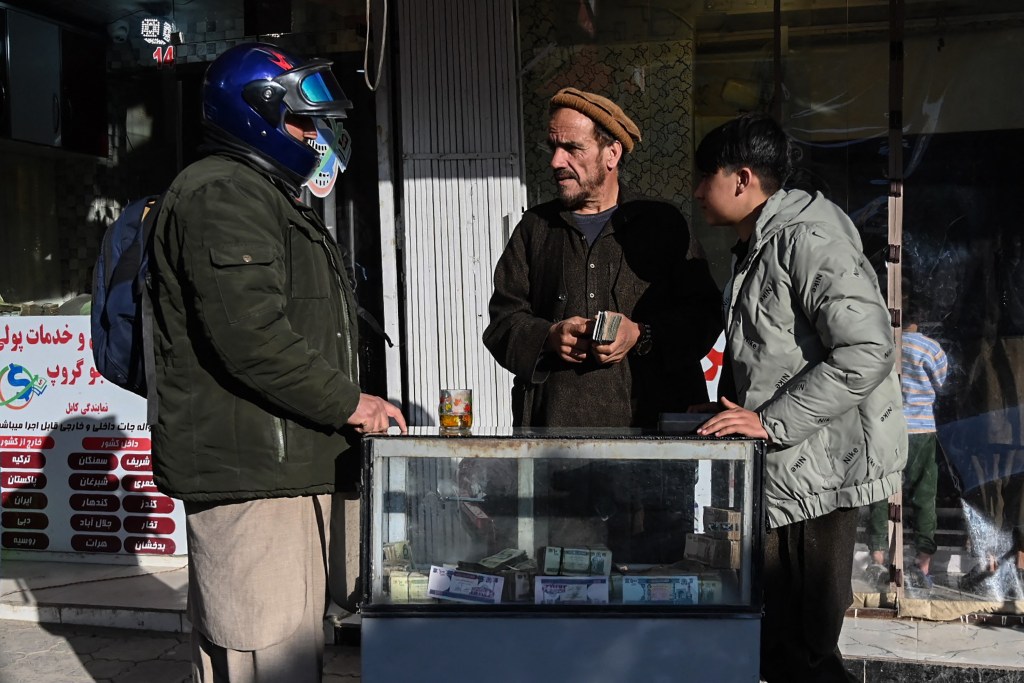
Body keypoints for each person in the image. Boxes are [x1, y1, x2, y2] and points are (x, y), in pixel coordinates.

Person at [146, 43, 407, 682]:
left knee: (292, 649)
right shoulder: (222, 193)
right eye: (301, 120)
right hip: (251, 475)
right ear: (255, 113)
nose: (314, 135)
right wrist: (352, 403)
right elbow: (252, 337)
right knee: (261, 653)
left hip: (285, 464)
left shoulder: (263, 192)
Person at [693, 112, 908, 683]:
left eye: (705, 176)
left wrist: (769, 422)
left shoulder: (806, 237)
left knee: (803, 652)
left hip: (818, 473)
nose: (697, 191)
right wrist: (732, 410)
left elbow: (866, 349)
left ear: (742, 179)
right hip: (788, 470)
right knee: (782, 647)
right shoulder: (759, 241)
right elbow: (777, 352)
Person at [482, 86, 721, 428]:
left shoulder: (662, 224)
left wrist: (641, 334)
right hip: (555, 434)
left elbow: (704, 315)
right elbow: (503, 322)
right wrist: (549, 336)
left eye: (572, 148)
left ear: (611, 154)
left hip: (653, 435)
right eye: (553, 148)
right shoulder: (536, 228)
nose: (555, 162)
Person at [866, 312, 949, 588]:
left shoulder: (881, 343)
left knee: (881, 491)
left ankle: (877, 556)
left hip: (886, 426)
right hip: (921, 431)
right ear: (920, 319)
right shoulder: (930, 347)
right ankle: (923, 560)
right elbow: (943, 382)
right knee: (924, 495)